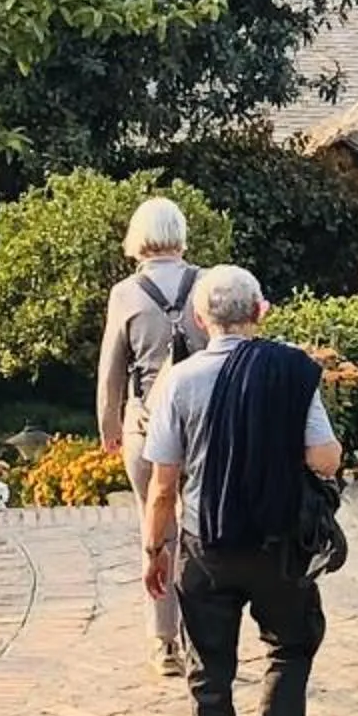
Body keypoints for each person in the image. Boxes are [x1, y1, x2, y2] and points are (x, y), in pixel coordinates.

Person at [139, 265, 343, 716]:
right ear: (261, 312)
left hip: (207, 547)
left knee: (210, 677)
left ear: (201, 319)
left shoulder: (177, 382)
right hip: (279, 544)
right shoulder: (291, 372)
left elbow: (163, 484)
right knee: (293, 643)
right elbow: (324, 458)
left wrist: (156, 549)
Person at [98, 196, 205, 675]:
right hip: (203, 425)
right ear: (181, 234)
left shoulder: (125, 292)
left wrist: (109, 424)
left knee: (154, 525)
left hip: (146, 421)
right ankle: (202, 636)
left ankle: (164, 643)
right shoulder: (206, 283)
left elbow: (111, 368)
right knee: (201, 527)